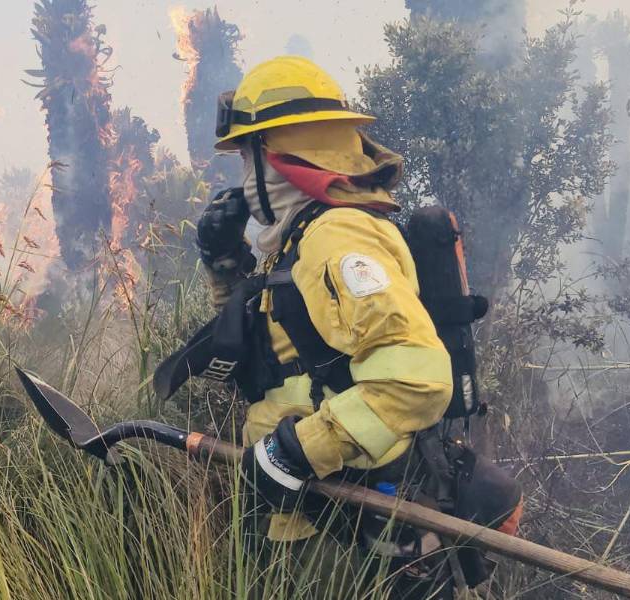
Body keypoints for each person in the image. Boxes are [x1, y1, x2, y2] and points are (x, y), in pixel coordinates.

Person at [196, 55, 461, 598]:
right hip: (305, 502)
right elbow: (272, 352)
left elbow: (419, 379)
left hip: (344, 506)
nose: (245, 183)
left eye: (249, 162)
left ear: (278, 160)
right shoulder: (302, 239)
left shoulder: (336, 241)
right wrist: (226, 265)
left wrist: (297, 451)